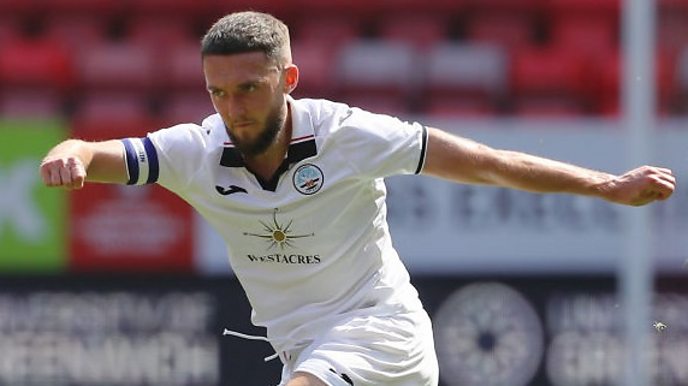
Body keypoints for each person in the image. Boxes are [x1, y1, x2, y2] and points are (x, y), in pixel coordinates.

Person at [39, 11, 676, 386]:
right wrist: (67, 154)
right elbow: (97, 152)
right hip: (299, 343)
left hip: (378, 328)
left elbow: (490, 165)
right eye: (218, 93)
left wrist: (604, 185)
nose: (232, 108)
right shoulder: (192, 151)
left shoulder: (348, 134)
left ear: (288, 79)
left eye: (250, 89)